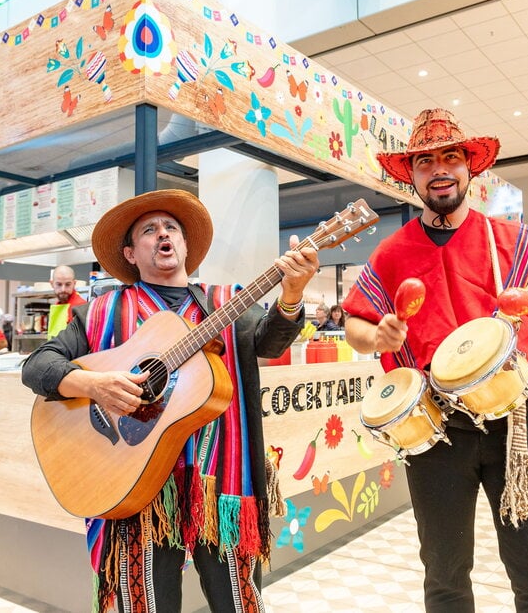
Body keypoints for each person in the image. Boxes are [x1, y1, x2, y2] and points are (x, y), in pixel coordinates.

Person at [342, 108, 528, 611]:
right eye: (425, 161)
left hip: (517, 424)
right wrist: (379, 336)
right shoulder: (392, 253)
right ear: (411, 175)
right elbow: (355, 324)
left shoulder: (511, 241)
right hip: (434, 429)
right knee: (443, 574)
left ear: (468, 169)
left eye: (451, 156)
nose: (439, 168)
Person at [21, 189, 319, 612]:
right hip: (134, 481)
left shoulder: (226, 303)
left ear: (183, 245)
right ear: (130, 252)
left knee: (238, 602)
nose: (163, 234)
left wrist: (291, 296)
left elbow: (269, 343)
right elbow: (38, 366)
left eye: (172, 228)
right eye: (149, 230)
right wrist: (95, 386)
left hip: (219, 484)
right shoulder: (103, 311)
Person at [46, 264, 87, 339]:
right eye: (59, 284)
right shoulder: (59, 304)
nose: (63, 289)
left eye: (68, 284)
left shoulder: (79, 306)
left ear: (74, 283)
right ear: (52, 284)